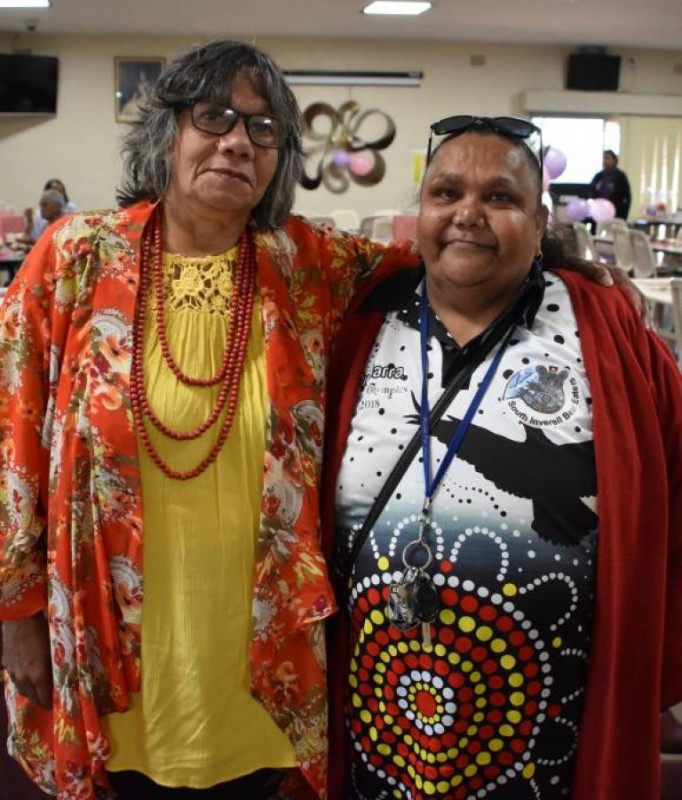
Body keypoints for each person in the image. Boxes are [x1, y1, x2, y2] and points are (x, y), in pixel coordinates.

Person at [0, 40, 637, 800]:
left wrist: (561, 262)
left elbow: (449, 252)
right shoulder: (74, 257)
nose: (238, 141)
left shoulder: (308, 264)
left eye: (263, 128)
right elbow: (12, 435)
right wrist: (17, 610)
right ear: (169, 131)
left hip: (257, 643)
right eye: (214, 117)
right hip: (111, 630)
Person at [322, 116, 682, 800]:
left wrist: (648, 665)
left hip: (552, 734)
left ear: (540, 222)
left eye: (500, 197)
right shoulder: (360, 320)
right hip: (375, 726)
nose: (468, 213)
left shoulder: (604, 328)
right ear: (418, 214)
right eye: (447, 192)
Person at [589, 149, 631, 220]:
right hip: (599, 213)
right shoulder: (598, 176)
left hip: (616, 212)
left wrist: (624, 215)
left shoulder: (620, 176)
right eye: (604, 158)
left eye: (607, 158)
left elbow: (627, 196)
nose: (605, 161)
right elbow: (591, 190)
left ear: (614, 160)